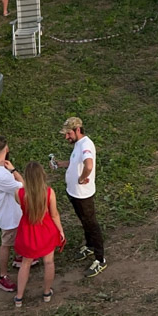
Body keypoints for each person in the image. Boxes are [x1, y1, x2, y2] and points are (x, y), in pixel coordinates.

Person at [53, 117, 105, 277]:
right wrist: (62, 164)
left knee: (91, 224)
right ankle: (89, 246)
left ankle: (100, 259)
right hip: (74, 193)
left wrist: (82, 178)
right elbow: (77, 162)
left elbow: (88, 165)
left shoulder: (86, 145)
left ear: (77, 130)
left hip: (83, 195)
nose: (66, 137)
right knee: (84, 221)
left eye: (68, 134)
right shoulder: (78, 144)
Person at [12, 161, 66, 307]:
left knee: (25, 263)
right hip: (46, 231)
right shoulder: (49, 192)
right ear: (42, 175)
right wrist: (60, 230)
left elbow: (21, 201)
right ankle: (47, 293)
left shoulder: (19, 193)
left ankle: (19, 297)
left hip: (28, 233)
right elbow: (54, 215)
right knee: (49, 262)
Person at [0, 137, 24, 294]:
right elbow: (23, 187)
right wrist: (14, 171)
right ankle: (2, 276)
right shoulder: (2, 175)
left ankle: (19, 257)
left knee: (17, 236)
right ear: (6, 150)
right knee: (6, 243)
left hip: (3, 211)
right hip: (9, 216)